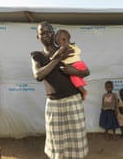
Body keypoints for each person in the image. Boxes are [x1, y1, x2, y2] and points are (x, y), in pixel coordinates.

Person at [31, 21, 89, 159]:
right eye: (42, 33)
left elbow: (86, 71)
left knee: (76, 139)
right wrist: (58, 59)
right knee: (57, 142)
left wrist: (75, 71)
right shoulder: (37, 55)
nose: (46, 35)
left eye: (49, 31)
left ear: (54, 33)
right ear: (37, 37)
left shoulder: (66, 48)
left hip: (73, 100)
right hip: (54, 103)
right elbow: (38, 75)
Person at [53, 29, 88, 100]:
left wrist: (53, 57)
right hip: (80, 64)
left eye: (58, 43)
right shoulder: (74, 46)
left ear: (64, 39)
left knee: (73, 77)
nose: (58, 46)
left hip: (76, 65)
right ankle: (81, 90)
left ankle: (83, 91)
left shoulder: (65, 46)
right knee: (77, 78)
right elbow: (79, 52)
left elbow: (57, 54)